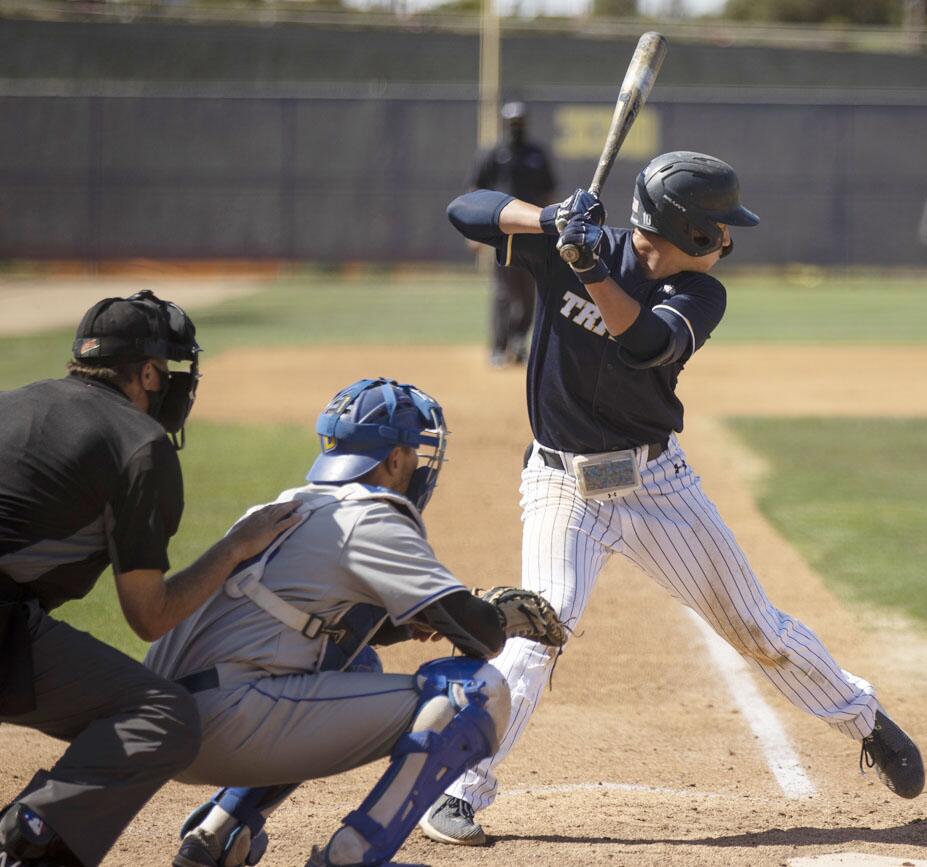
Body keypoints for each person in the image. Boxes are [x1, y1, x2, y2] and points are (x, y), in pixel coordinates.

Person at [426, 151, 926, 845]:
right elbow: (466, 210)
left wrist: (587, 267)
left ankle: (865, 720)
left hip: (655, 483)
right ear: (688, 230)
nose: (729, 240)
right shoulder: (574, 241)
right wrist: (548, 221)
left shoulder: (700, 293)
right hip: (563, 482)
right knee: (540, 626)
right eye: (721, 229)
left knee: (758, 628)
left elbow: (645, 342)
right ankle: (457, 787)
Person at [146, 377, 564, 867]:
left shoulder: (287, 504)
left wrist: (417, 623)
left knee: (357, 663)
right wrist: (494, 614)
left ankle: (217, 833)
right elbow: (481, 635)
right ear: (392, 460)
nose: (420, 466)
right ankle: (352, 855)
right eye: (414, 452)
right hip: (228, 725)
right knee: (475, 693)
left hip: (166, 726)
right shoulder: (371, 516)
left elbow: (337, 625)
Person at [0, 291, 301, 867]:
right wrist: (236, 546)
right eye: (167, 371)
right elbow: (151, 618)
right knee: (162, 716)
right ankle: (29, 845)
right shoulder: (139, 444)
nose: (172, 385)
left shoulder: (16, 402)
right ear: (144, 372)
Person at [469, 101, 557, 367]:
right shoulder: (493, 153)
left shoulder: (536, 154)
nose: (516, 127)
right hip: (502, 231)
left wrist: (552, 226)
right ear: (504, 123)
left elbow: (549, 191)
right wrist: (474, 232)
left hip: (532, 230)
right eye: (512, 122)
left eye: (519, 122)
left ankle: (519, 342)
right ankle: (499, 346)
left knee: (529, 289)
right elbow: (476, 189)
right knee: (503, 291)